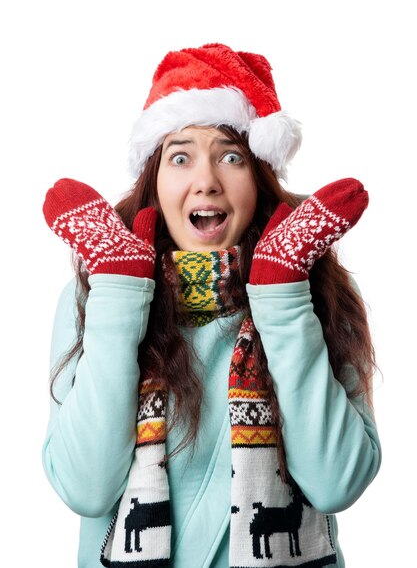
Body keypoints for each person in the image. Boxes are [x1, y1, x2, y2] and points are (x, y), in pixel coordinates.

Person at [42, 43, 381, 568]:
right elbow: (85, 489)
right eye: (180, 157)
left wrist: (284, 294)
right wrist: (119, 292)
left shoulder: (318, 292)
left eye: (231, 156)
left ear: (260, 175)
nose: (206, 180)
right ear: (154, 178)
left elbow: (336, 482)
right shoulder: (94, 297)